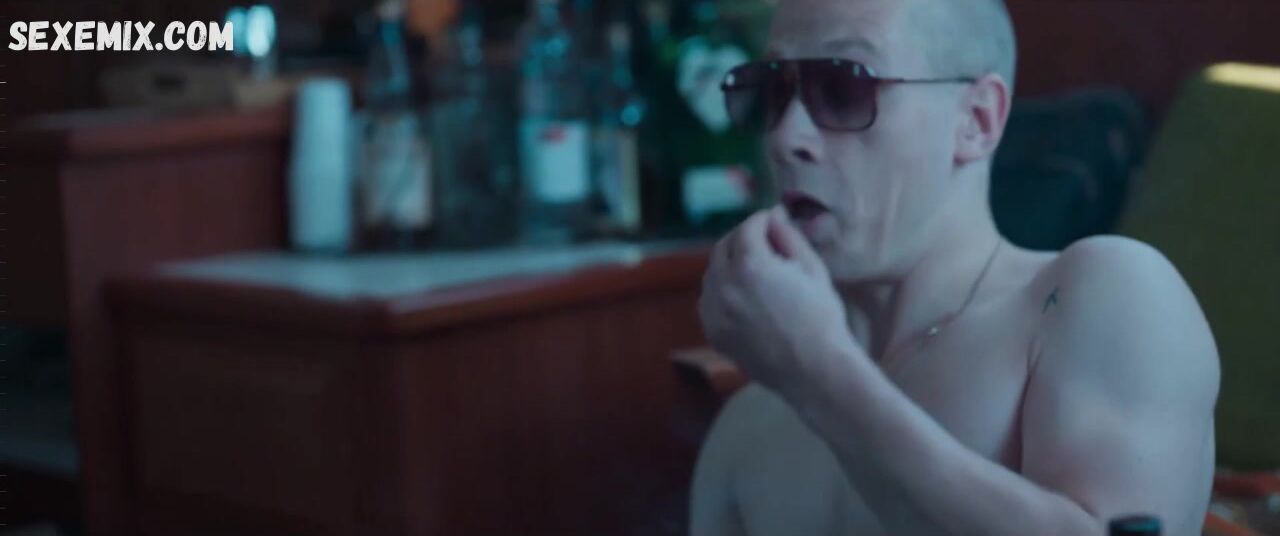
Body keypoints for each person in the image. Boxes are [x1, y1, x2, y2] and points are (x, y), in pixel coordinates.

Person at [691, 1, 1220, 535]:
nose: (785, 138)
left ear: (977, 120)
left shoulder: (1101, 296)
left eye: (843, 86)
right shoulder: (749, 423)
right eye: (773, 91)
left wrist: (822, 376)